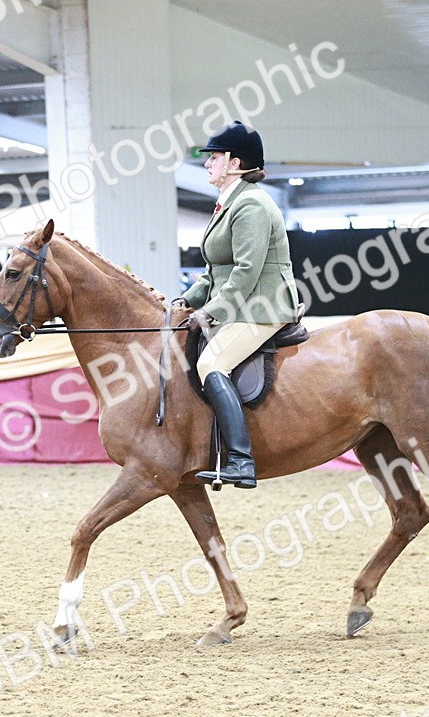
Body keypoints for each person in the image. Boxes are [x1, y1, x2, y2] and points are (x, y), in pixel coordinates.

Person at [172, 120, 299, 489]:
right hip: (243, 304)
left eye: (214, 156)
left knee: (212, 361)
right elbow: (216, 272)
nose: (208, 162)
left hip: (264, 306)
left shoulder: (252, 206)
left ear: (235, 163)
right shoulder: (228, 204)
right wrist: (187, 300)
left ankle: (242, 461)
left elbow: (245, 272)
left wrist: (210, 312)